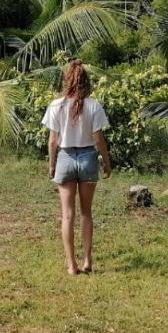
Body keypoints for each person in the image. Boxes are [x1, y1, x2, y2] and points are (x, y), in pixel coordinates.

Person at [42, 60, 112, 275]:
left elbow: (53, 140)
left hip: (65, 157)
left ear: (67, 80)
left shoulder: (56, 105)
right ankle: (87, 260)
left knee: (67, 215)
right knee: (86, 213)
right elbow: (98, 138)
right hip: (88, 157)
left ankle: (71, 264)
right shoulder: (94, 105)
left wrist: (52, 164)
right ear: (85, 81)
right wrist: (106, 162)